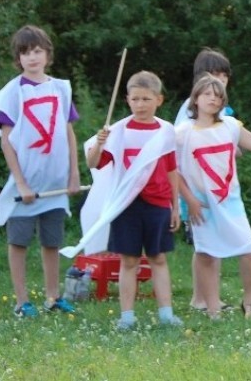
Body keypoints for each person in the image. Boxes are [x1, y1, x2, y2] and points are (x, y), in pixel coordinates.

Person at [0, 26, 81, 317]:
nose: (32, 57)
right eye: (26, 52)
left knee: (52, 241)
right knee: (19, 242)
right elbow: (7, 141)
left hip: (55, 182)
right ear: (18, 58)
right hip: (25, 184)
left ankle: (53, 297)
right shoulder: (13, 92)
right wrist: (21, 183)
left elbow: (68, 132)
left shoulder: (61, 89)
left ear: (48, 54)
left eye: (37, 51)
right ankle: (21, 302)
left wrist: (74, 174)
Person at [85, 71, 183, 330]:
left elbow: (171, 169)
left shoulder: (165, 131)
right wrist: (99, 144)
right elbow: (93, 163)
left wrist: (175, 206)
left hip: (158, 203)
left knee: (158, 258)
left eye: (146, 99)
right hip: (126, 204)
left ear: (158, 100)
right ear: (127, 100)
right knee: (128, 261)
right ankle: (126, 317)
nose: (140, 105)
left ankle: (166, 315)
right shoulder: (118, 132)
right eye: (135, 99)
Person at [176, 74, 251, 319]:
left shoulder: (230, 125)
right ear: (196, 99)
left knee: (248, 249)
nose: (213, 98)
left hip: (230, 202)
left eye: (218, 95)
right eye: (207, 94)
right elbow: (172, 170)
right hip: (202, 205)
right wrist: (189, 200)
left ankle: (250, 302)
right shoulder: (183, 132)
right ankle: (212, 309)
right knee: (206, 254)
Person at [174, 48, 236, 311]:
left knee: (215, 244)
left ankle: (211, 297)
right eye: (214, 74)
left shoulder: (224, 112)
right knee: (204, 246)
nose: (219, 80)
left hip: (218, 190)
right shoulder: (190, 110)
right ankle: (200, 298)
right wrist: (185, 197)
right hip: (196, 190)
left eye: (224, 75)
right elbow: (179, 153)